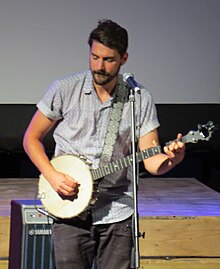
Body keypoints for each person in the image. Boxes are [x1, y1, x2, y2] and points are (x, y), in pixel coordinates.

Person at [23, 19, 185, 269]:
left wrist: (174, 157)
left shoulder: (138, 98)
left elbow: (153, 163)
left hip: (118, 211)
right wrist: (52, 176)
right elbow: (31, 138)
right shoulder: (65, 89)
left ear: (124, 58)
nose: (99, 66)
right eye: (94, 57)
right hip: (70, 209)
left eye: (108, 60)